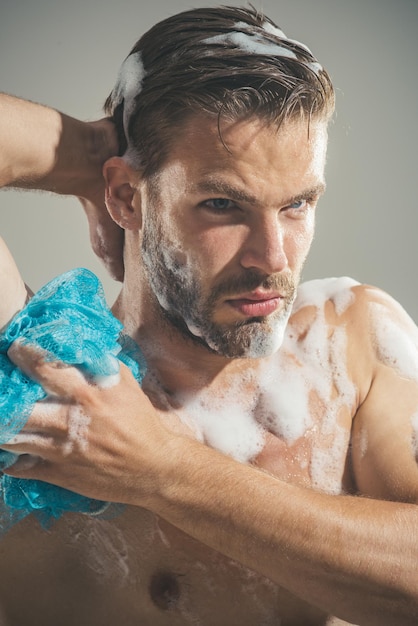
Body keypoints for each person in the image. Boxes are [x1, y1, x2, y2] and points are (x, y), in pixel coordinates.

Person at [0, 5, 417, 625]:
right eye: (223, 204)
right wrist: (91, 152)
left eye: (298, 204)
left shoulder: (349, 345)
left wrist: (161, 469)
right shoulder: (45, 379)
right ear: (125, 195)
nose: (272, 256)